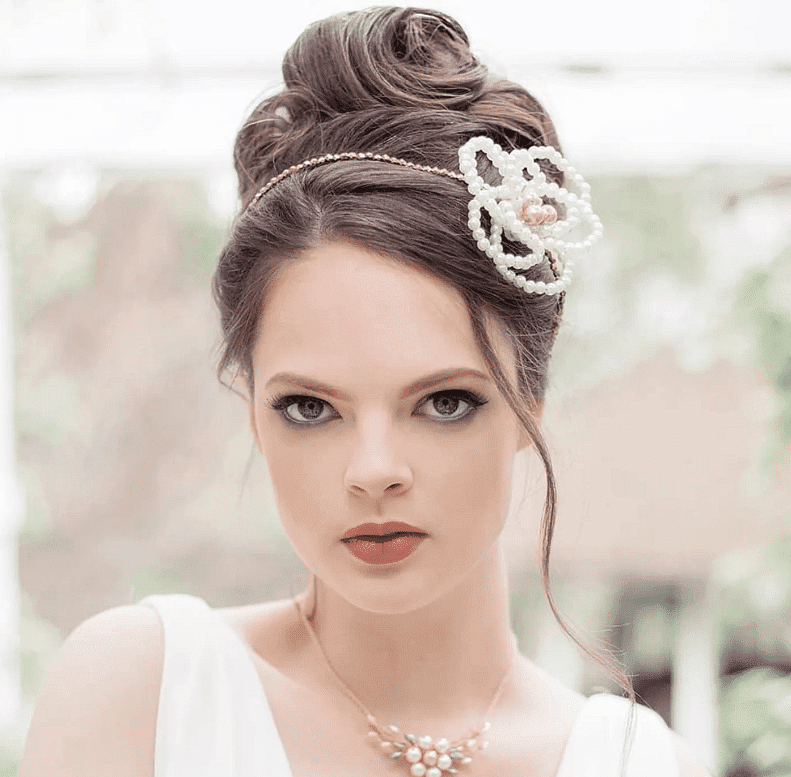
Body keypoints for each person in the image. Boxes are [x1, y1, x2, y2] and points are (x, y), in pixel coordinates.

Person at [19, 7, 713, 776]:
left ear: (529, 402)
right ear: (254, 412)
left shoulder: (638, 763)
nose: (373, 469)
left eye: (443, 401)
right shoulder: (144, 691)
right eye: (310, 407)